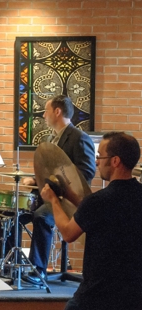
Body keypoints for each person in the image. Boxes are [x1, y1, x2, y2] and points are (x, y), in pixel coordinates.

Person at [40, 131, 142, 310]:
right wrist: (73, 197)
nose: (97, 161)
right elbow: (100, 214)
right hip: (130, 300)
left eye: (101, 156)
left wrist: (54, 201)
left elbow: (67, 232)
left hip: (93, 300)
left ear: (115, 161)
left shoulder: (99, 202)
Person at [22, 95, 96, 285]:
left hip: (69, 200)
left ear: (57, 111)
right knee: (14, 212)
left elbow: (87, 171)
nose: (44, 115)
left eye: (46, 111)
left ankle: (39, 272)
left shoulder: (79, 138)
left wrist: (60, 183)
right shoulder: (50, 139)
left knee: (41, 216)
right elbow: (49, 171)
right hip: (47, 194)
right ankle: (11, 266)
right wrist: (35, 180)